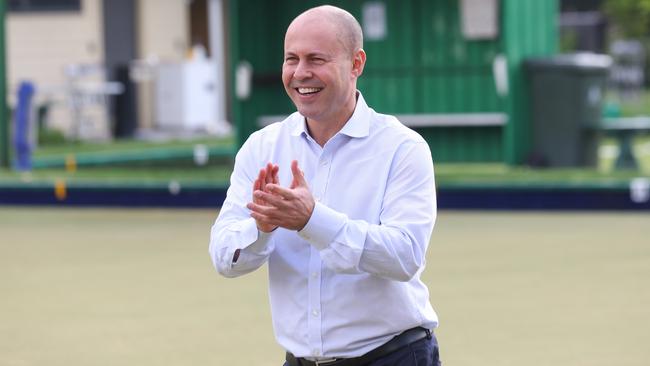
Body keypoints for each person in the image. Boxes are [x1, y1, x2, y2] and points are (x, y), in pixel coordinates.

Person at [209, 5, 440, 366]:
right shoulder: (262, 147)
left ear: (356, 63)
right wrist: (262, 226)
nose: (301, 73)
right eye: (291, 59)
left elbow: (404, 256)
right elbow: (225, 258)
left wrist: (312, 219)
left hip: (393, 357)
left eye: (316, 59)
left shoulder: (402, 148)